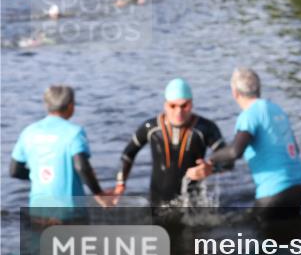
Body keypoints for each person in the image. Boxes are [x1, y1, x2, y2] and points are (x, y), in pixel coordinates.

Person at [185, 68, 301, 216]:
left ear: (234, 92)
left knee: (251, 228)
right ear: (259, 88)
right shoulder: (277, 109)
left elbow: (235, 151)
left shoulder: (249, 115)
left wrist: (211, 160)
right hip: (299, 189)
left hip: (274, 193)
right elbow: (295, 149)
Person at [9, 85, 117, 218]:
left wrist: (38, 175)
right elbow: (81, 167)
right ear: (71, 106)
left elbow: (14, 171)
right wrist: (99, 195)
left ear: (46, 105)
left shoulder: (28, 132)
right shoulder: (74, 132)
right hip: (70, 212)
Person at [114, 78, 224, 206]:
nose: (179, 111)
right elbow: (128, 154)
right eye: (173, 106)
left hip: (193, 205)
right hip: (157, 202)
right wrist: (120, 184)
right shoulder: (151, 128)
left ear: (191, 104)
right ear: (165, 105)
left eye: (184, 106)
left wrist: (211, 168)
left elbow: (229, 159)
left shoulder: (205, 128)